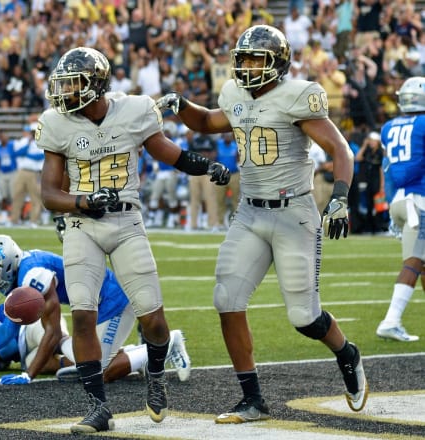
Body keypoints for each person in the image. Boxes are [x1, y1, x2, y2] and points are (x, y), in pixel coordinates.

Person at [155, 24, 368, 423]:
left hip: (293, 214)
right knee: (226, 299)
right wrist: (180, 105)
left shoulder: (296, 96)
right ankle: (252, 398)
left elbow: (340, 148)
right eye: (244, 59)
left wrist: (339, 197)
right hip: (250, 213)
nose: (248, 67)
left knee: (305, 318)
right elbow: (207, 121)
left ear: (279, 63)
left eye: (257, 59)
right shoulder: (236, 94)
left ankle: (346, 352)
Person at [38, 47, 229, 433]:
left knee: (154, 322)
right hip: (82, 226)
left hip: (126, 222)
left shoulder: (134, 110)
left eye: (74, 83)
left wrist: (207, 166)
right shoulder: (57, 122)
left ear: (96, 84)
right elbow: (47, 193)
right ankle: (98, 407)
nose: (66, 92)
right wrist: (81, 200)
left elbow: (168, 153)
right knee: (83, 314)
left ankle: (155, 375)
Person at [0, 234, 191, 386]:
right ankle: (139, 357)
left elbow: (54, 332)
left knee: (99, 371)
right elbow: (11, 327)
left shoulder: (33, 276)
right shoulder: (27, 271)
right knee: (86, 357)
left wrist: (29, 375)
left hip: (113, 301)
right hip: (95, 306)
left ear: (6, 266)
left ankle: (168, 343)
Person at [376, 77, 425, 342]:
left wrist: (391, 201)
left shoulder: (388, 127)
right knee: (415, 261)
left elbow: (388, 170)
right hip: (419, 200)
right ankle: (391, 319)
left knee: (423, 262)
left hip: (400, 200)